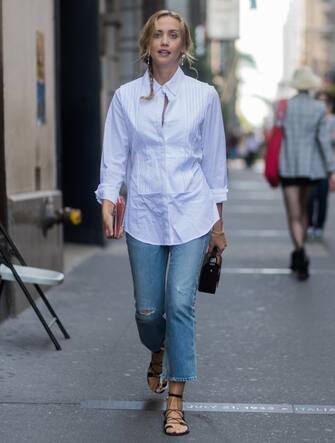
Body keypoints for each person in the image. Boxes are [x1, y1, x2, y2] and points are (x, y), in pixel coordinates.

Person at [95, 10, 228, 436]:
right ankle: (158, 348)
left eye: (173, 35)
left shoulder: (204, 97)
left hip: (193, 213)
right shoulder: (125, 97)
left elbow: (214, 167)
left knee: (182, 302)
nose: (165, 41)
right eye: (158, 35)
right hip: (144, 216)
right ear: (148, 44)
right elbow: (115, 156)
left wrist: (218, 225)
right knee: (149, 310)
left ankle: (176, 401)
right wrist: (108, 197)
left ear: (184, 46)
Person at [279, 66, 335, 281]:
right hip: (312, 169)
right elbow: (322, 140)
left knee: (293, 215)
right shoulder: (319, 108)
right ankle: (299, 253)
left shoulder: (284, 106)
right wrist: (331, 169)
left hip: (289, 166)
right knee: (304, 212)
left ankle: (300, 252)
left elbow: (276, 134)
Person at [308, 91, 335, 239]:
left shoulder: (332, 120)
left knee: (323, 199)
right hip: (311, 167)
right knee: (310, 198)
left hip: (326, 167)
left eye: (325, 102)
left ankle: (319, 227)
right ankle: (310, 226)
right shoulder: (312, 121)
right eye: (319, 101)